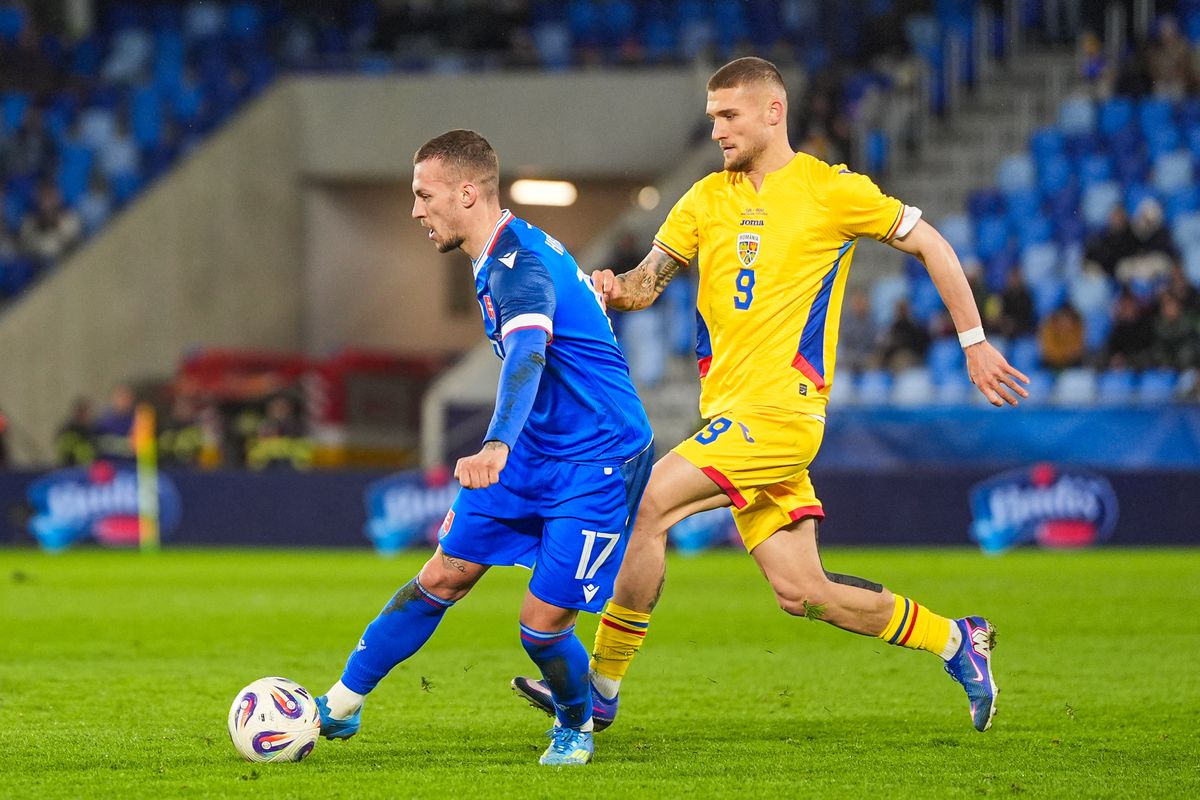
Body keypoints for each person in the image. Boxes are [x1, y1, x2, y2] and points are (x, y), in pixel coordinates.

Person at [514, 57, 1028, 735]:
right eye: (712, 118)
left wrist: (973, 341)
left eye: (728, 116)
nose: (717, 129)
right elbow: (646, 283)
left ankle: (600, 691)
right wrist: (610, 289)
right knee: (802, 592)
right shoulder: (705, 198)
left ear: (772, 112)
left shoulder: (829, 190)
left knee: (644, 508)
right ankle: (958, 641)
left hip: (783, 415)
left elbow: (930, 242)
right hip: (732, 418)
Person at [314, 130, 653, 766]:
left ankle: (576, 725)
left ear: (467, 193)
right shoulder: (498, 253)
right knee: (443, 573)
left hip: (598, 457)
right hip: (537, 447)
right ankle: (339, 705)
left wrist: (495, 443)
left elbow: (528, 349)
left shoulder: (515, 263)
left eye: (424, 194)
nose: (415, 209)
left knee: (541, 626)